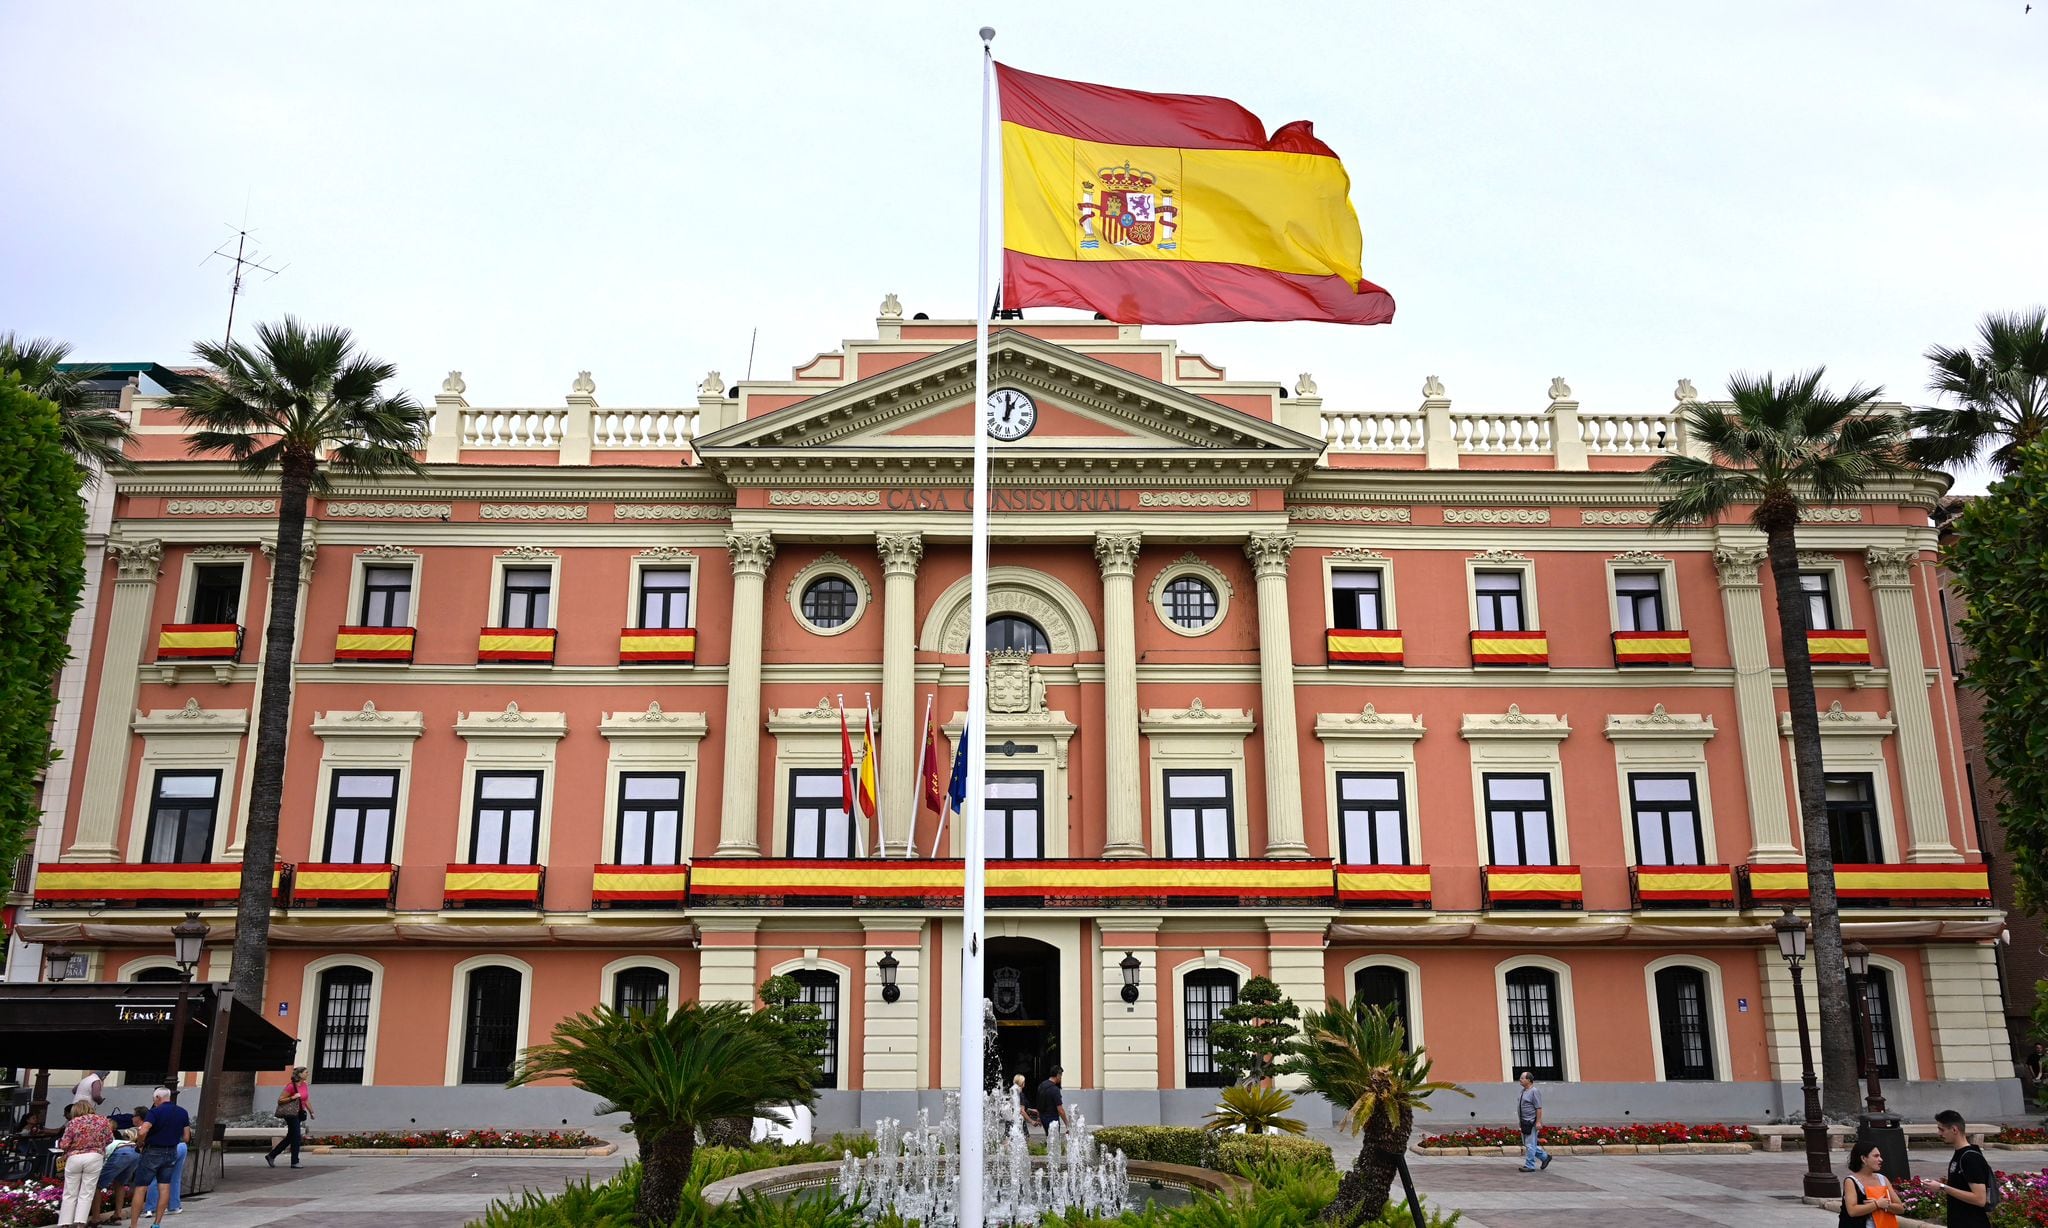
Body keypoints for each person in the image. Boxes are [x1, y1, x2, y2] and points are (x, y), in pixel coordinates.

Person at [133, 1088, 189, 1228]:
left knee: (141, 1187)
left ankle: (134, 1225)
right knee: (164, 1186)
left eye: (154, 1099)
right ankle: (157, 1223)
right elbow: (187, 1137)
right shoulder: (182, 1112)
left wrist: (140, 1142)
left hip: (153, 1151)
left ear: (158, 1097)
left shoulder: (154, 1112)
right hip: (171, 1151)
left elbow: (143, 1130)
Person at [1932, 1110, 1995, 1228]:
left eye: (1942, 1129)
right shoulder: (1960, 1154)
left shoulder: (1970, 1158)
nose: (1939, 1133)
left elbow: (1980, 1199)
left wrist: (1942, 1187)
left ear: (1954, 1130)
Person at [55, 1098, 112, 1227]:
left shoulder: (73, 1122)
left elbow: (64, 1144)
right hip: (94, 1157)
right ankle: (80, 1222)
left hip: (74, 1158)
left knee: (70, 1192)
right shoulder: (103, 1121)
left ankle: (65, 1223)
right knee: (87, 1191)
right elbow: (109, 1140)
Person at [1838, 1141, 1905, 1226]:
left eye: (1880, 1156)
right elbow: (1852, 1211)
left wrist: (1886, 1205)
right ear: (1863, 1158)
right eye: (1876, 1156)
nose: (1881, 1159)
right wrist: (1877, 1204)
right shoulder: (1851, 1181)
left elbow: (1900, 1208)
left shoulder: (1883, 1179)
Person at [266, 1065, 314, 1168]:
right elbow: (280, 1100)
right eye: (306, 1072)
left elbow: (305, 1100)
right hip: (291, 1114)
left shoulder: (305, 1085)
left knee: (291, 1137)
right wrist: (293, 1097)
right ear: (300, 1074)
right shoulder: (291, 1086)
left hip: (299, 1113)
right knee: (296, 1137)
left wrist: (311, 1112)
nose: (307, 1074)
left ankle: (271, 1155)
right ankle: (295, 1162)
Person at [96, 1128, 142, 1227]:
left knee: (97, 1186)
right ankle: (117, 1215)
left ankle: (95, 1219)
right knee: (120, 1184)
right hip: (135, 1152)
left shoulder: (106, 1144)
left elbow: (102, 1160)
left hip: (120, 1153)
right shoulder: (123, 1142)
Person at [1515, 1071, 1553, 1172]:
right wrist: (1520, 1121)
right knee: (1528, 1144)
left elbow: (1538, 1108)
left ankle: (1530, 1165)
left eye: (1522, 1078)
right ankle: (1545, 1157)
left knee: (1530, 1145)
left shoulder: (1534, 1091)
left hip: (1531, 1121)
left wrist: (1538, 1122)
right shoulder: (1523, 1091)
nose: (1520, 1080)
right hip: (1524, 1121)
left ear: (1529, 1080)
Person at [1035, 1066, 1069, 1136]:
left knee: (1049, 1138)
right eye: (1061, 1076)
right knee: (1055, 1140)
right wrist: (1067, 1124)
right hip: (1052, 1118)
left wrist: (1039, 1117)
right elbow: (1060, 1110)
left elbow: (1038, 1103)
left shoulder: (1041, 1085)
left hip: (1043, 1117)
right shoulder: (1055, 1089)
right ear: (1058, 1075)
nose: (1061, 1078)